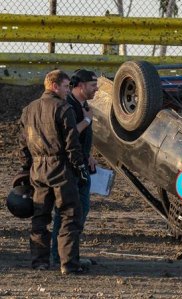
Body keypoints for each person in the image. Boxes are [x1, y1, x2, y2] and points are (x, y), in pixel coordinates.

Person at [18, 69, 89, 274]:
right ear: (55, 86)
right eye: (66, 86)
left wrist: (26, 168)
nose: (68, 91)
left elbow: (23, 144)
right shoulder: (63, 108)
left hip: (38, 169)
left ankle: (40, 261)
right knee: (69, 215)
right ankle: (68, 264)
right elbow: (71, 144)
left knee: (40, 217)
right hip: (60, 168)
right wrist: (79, 168)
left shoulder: (28, 110)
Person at [51, 69, 98, 265]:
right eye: (92, 85)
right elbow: (67, 136)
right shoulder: (69, 106)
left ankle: (68, 255)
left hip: (80, 164)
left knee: (77, 212)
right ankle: (61, 256)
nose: (96, 89)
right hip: (71, 167)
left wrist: (88, 155)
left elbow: (80, 139)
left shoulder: (82, 105)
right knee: (69, 213)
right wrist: (87, 121)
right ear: (80, 86)